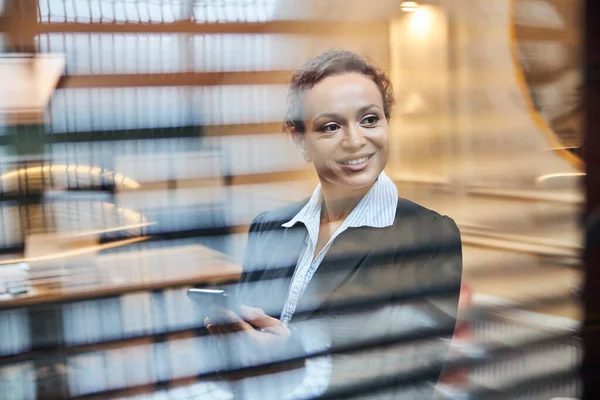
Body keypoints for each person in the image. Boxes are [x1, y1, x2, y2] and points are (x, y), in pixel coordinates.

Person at [205, 50, 463, 399]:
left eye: (370, 119)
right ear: (301, 141)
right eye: (330, 126)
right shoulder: (269, 227)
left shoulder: (429, 235)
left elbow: (409, 385)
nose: (355, 140)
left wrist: (295, 361)